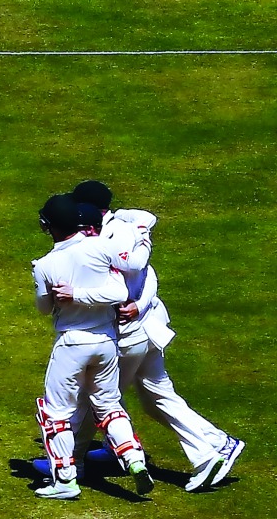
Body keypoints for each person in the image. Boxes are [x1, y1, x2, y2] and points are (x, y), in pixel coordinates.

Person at [70, 182, 245, 491]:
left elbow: (136, 265)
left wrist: (133, 302)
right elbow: (149, 273)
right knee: (155, 397)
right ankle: (216, 445)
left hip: (130, 336)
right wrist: (141, 303)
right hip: (145, 327)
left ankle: (70, 463)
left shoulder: (115, 236)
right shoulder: (124, 227)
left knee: (96, 399)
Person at [32, 194, 153, 499]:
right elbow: (118, 290)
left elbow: (44, 308)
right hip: (107, 344)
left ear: (48, 226)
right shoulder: (101, 247)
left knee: (56, 412)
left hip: (71, 344)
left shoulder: (45, 265)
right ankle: (134, 459)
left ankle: (64, 480)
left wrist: (74, 294)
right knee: (109, 404)